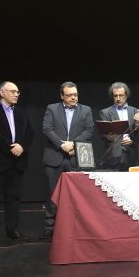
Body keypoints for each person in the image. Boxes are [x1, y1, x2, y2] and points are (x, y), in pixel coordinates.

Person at [0, 81, 34, 245]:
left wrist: (22, 146)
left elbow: (30, 132)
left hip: (17, 162)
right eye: (13, 91)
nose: (16, 94)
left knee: (14, 198)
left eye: (18, 92)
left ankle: (12, 230)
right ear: (2, 92)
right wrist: (10, 148)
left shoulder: (22, 113)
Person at [40, 81, 94, 239]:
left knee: (76, 194)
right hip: (55, 156)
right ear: (62, 96)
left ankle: (75, 227)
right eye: (69, 95)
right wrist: (61, 144)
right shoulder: (52, 108)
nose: (73, 98)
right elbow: (47, 128)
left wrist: (72, 144)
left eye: (75, 95)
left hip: (75, 157)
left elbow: (89, 130)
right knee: (52, 192)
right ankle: (50, 226)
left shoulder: (86, 110)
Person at [99, 81, 139, 171]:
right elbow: (103, 135)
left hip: (132, 155)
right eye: (115, 96)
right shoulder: (105, 112)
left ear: (126, 95)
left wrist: (133, 137)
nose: (118, 98)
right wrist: (111, 137)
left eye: (121, 95)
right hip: (114, 156)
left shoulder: (135, 111)